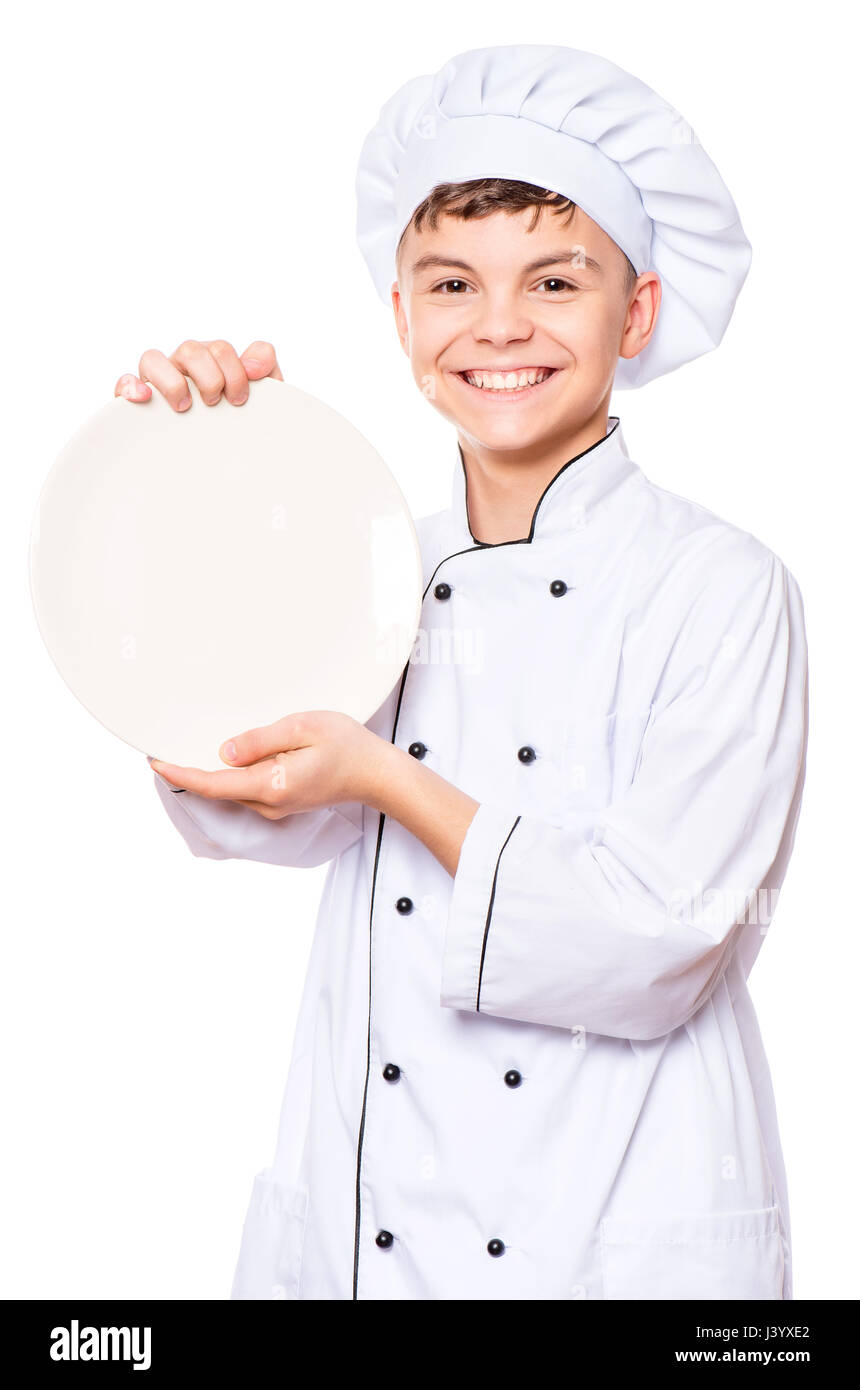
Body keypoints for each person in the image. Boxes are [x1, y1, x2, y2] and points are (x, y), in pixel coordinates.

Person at [119, 45, 808, 1301]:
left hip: (616, 1231)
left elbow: (652, 943)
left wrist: (387, 778)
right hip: (363, 1233)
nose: (498, 326)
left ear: (636, 312)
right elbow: (233, 781)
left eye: (555, 280)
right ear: (399, 316)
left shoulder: (719, 585)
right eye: (451, 283)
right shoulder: (366, 559)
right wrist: (197, 485)